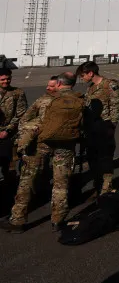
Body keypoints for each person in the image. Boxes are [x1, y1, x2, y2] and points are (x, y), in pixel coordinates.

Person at [1, 72, 83, 233]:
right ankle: (58, 220)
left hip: (40, 145)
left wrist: (24, 141)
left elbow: (25, 120)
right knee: (61, 184)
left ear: (59, 84)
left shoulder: (44, 100)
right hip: (66, 146)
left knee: (26, 182)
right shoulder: (80, 99)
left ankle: (17, 220)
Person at [75, 61, 119, 195]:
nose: (82, 78)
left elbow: (117, 107)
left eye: (83, 75)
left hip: (105, 127)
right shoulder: (91, 87)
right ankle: (98, 186)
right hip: (92, 128)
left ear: (90, 73)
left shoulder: (110, 85)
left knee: (105, 159)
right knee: (93, 158)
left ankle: (106, 189)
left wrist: (111, 126)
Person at [0, 67, 27, 212]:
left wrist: (8, 130)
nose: (6, 81)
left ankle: (10, 199)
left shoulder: (18, 93)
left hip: (9, 136)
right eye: (2, 79)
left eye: (8, 78)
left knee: (10, 168)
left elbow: (21, 114)